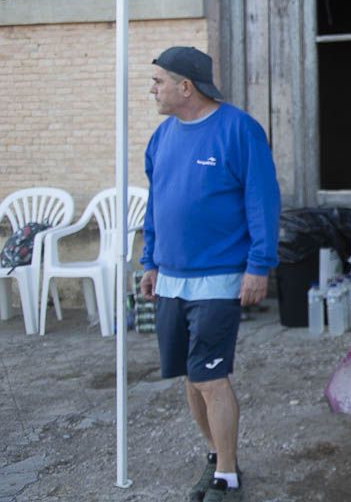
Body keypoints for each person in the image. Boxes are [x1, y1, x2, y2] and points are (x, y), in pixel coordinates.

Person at [138, 46, 280, 502]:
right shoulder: (161, 137)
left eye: (159, 80)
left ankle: (228, 479)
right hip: (171, 278)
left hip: (219, 278)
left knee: (210, 376)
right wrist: (150, 261)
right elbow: (156, 205)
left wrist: (259, 265)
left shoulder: (238, 130)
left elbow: (263, 201)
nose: (153, 88)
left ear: (186, 86)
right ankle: (220, 458)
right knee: (188, 375)